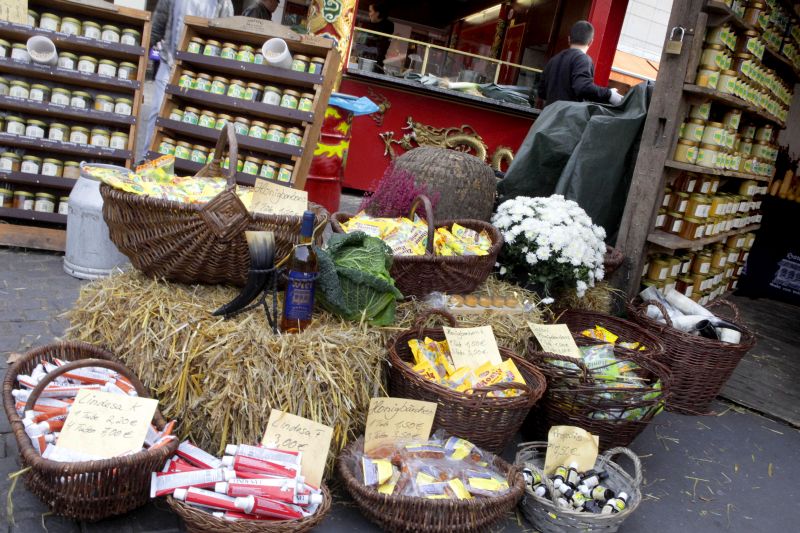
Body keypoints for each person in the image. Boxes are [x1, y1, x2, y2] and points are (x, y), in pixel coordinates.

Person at [136, 0, 234, 161]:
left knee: (193, 116)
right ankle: (147, 159)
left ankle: (184, 163)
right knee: (159, 110)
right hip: (170, 61)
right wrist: (145, 50)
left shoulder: (222, 2)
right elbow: (160, 21)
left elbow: (226, 33)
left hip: (202, 70)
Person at [536, 21, 623, 108]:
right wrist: (609, 94)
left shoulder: (553, 60)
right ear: (591, 42)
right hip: (568, 115)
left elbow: (541, 92)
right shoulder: (583, 59)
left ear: (569, 39)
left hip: (548, 114)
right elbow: (583, 87)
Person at [363, 1, 394, 68]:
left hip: (377, 63)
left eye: (370, 11)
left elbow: (381, 46)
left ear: (377, 13)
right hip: (364, 59)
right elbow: (365, 43)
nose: (369, 14)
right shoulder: (369, 24)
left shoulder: (388, 25)